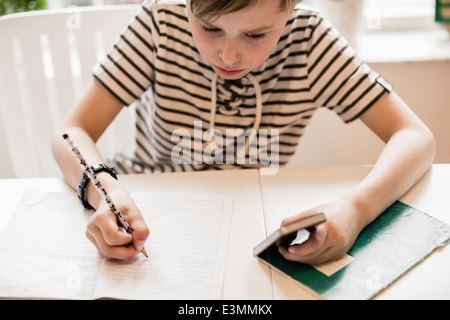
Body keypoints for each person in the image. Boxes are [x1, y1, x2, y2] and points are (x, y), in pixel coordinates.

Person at [52, 0, 435, 264]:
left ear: (291, 10)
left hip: (252, 221)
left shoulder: (310, 42)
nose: (229, 56)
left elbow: (415, 137)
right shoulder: (160, 25)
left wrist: (355, 210)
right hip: (148, 205)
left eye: (255, 36)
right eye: (209, 28)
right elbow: (71, 131)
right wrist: (105, 192)